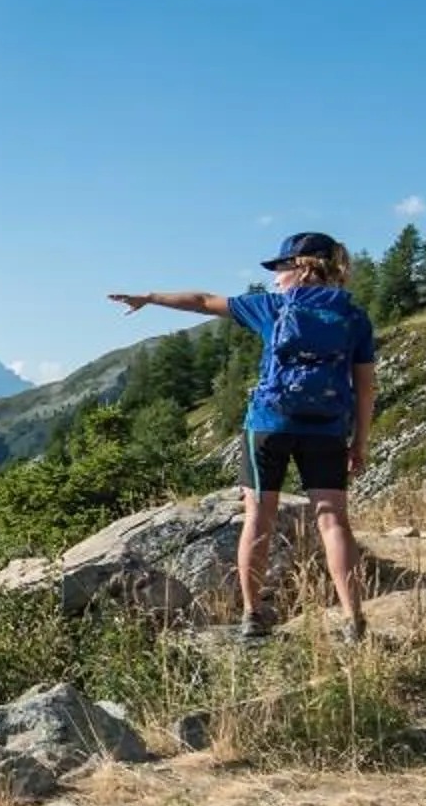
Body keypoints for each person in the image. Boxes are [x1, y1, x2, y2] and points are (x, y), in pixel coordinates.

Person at [110, 232, 378, 641]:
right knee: (333, 521)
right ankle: (353, 620)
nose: (274, 279)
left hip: (269, 425)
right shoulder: (354, 317)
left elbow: (202, 302)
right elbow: (366, 386)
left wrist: (149, 297)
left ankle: (253, 616)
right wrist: (359, 442)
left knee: (258, 517)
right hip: (326, 427)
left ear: (301, 267)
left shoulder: (271, 308)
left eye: (280, 269)